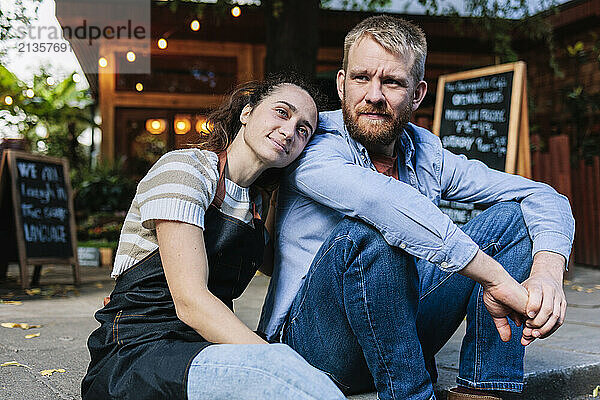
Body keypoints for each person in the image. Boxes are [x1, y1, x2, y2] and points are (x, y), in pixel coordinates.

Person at [259, 15, 575, 400]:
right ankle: (412, 395)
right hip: (316, 347)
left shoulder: (426, 150)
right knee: (368, 232)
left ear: (418, 94)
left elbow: (543, 196)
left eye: (392, 82)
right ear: (342, 85)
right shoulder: (312, 141)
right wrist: (495, 278)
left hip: (399, 326)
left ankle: (485, 389)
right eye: (361, 78)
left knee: (514, 219)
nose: (374, 95)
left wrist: (547, 275)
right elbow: (384, 203)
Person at [81, 76, 346, 400]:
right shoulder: (186, 169)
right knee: (278, 375)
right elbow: (191, 302)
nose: (290, 131)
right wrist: (274, 358)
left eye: (304, 129)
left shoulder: (257, 204)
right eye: (281, 112)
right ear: (247, 112)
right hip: (135, 355)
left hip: (201, 349)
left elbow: (283, 266)